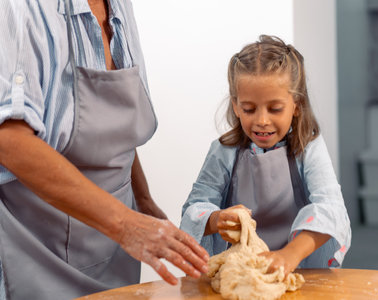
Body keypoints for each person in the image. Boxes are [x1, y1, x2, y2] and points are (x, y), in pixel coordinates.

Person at [0, 0, 209, 299]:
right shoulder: (21, 7)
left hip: (115, 255)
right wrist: (126, 224)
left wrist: (144, 202)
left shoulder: (120, 6)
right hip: (37, 251)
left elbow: (112, 125)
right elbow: (10, 141)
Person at [180, 35, 351, 277]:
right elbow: (193, 209)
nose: (262, 120)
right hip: (241, 272)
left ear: (297, 105)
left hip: (301, 270)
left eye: (275, 108)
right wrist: (217, 219)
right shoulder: (223, 151)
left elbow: (331, 210)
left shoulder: (308, 147)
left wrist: (288, 255)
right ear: (236, 106)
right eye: (249, 109)